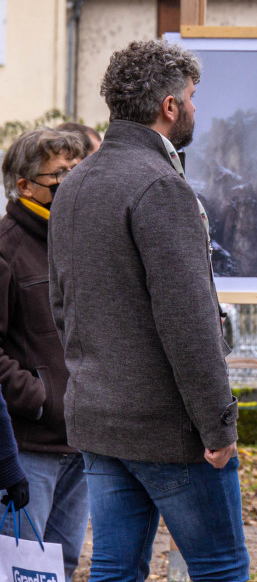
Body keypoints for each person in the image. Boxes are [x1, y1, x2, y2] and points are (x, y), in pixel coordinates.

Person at [48, 39, 248, 581]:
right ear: (169, 106)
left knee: (114, 571)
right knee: (222, 569)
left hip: (99, 421)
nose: (193, 109)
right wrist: (218, 426)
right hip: (171, 432)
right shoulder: (161, 187)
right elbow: (189, 324)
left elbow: (62, 308)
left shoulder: (73, 186)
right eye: (190, 97)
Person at [0, 128, 90, 575]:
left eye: (77, 170)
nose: (72, 181)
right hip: (29, 446)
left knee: (64, 564)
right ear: (24, 185)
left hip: (82, 442)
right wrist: (40, 399)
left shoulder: (79, 242)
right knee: (22, 570)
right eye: (61, 174)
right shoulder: (6, 249)